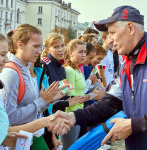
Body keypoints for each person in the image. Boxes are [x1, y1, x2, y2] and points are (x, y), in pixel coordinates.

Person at [49, 5, 147, 150]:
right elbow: (110, 103)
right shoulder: (126, 64)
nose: (110, 40)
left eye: (112, 33)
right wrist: (74, 117)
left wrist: (135, 125)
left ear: (130, 28)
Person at [0, 24, 68, 149]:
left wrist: (47, 101)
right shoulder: (11, 73)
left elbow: (30, 107)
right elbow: (8, 118)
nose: (40, 51)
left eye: (40, 47)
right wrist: (42, 103)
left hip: (26, 141)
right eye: (35, 46)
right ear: (20, 44)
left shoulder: (25, 70)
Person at [41, 32, 83, 149]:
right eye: (56, 47)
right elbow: (46, 101)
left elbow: (63, 95)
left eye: (62, 46)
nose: (61, 50)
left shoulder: (61, 67)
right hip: (48, 120)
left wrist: (73, 99)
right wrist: (69, 102)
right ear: (48, 49)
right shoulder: (45, 65)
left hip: (60, 117)